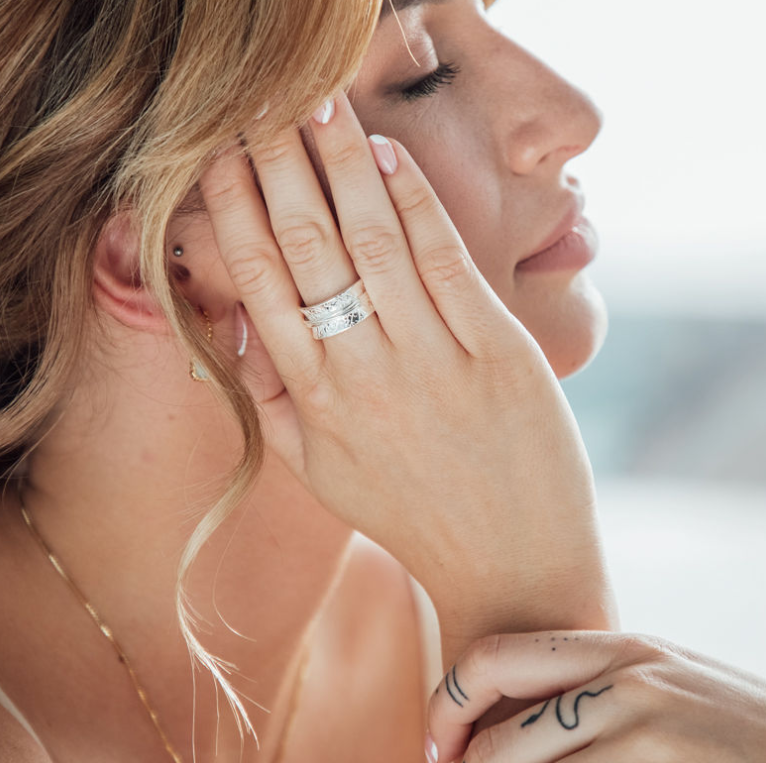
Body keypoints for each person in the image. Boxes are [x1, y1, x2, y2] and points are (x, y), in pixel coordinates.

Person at [1, 2, 763, 763]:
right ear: (164, 266)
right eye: (423, 73)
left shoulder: (433, 595)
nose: (573, 116)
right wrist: (537, 609)